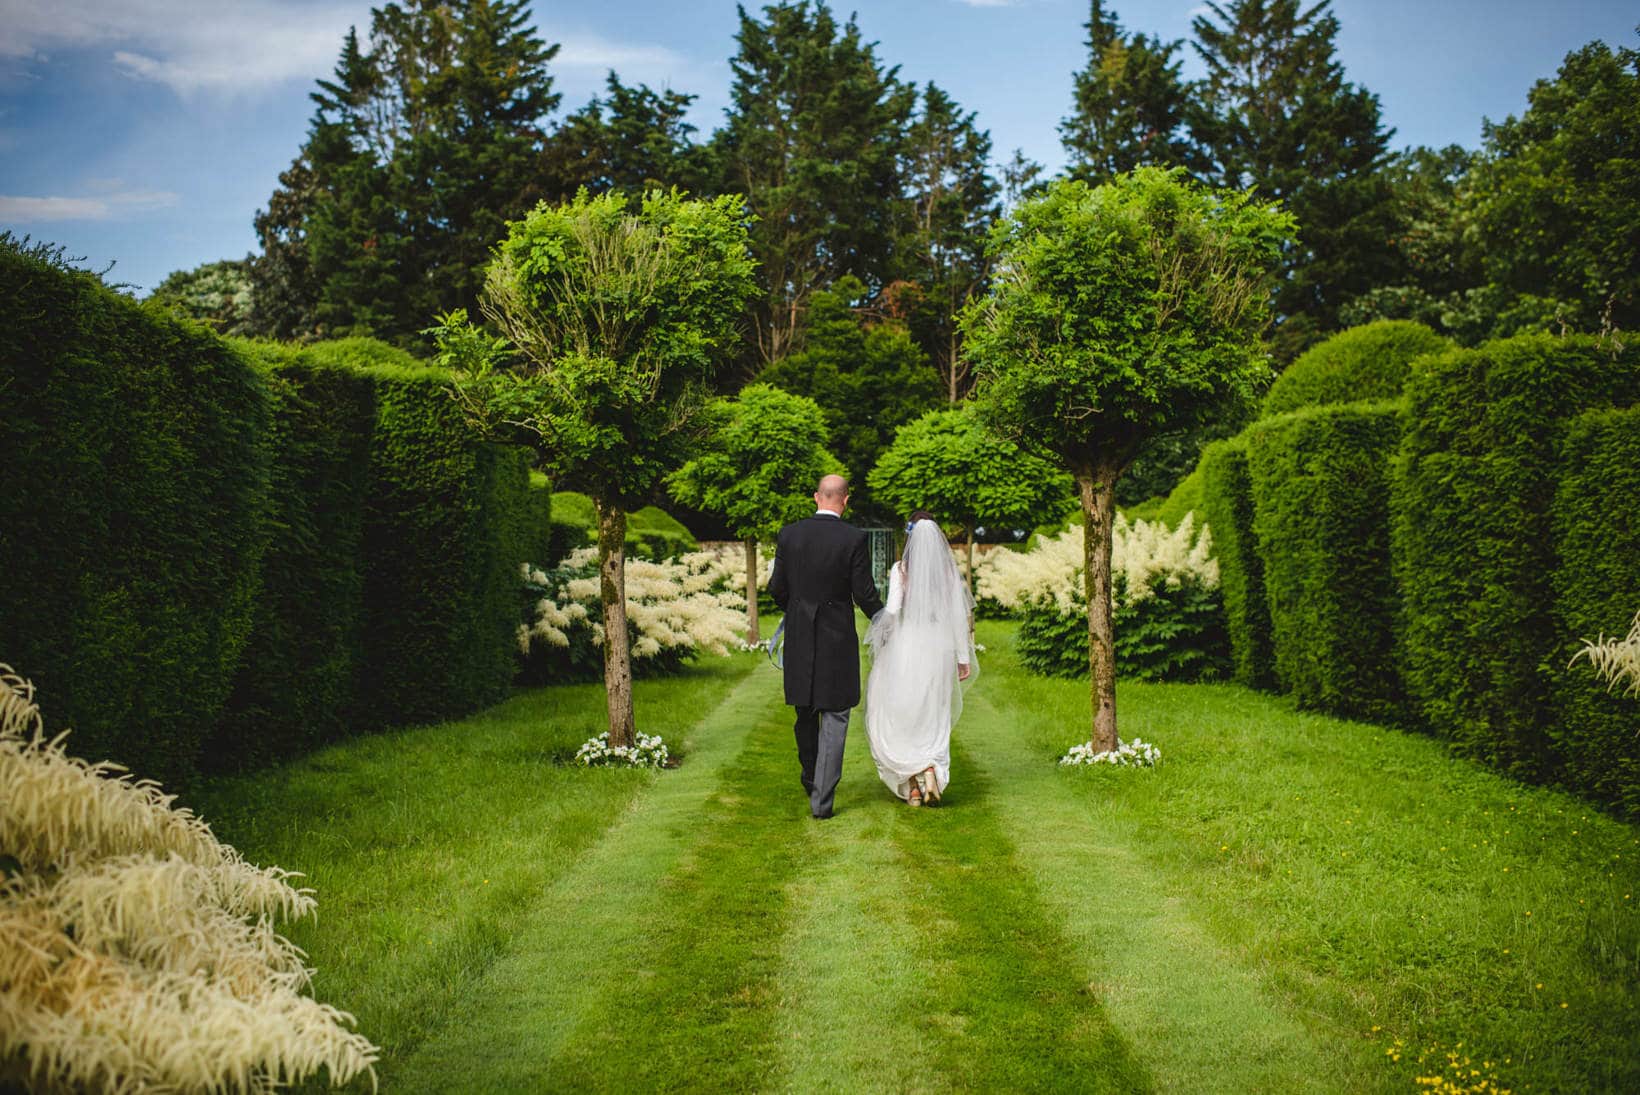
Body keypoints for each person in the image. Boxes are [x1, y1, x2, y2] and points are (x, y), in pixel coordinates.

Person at [767, 474, 885, 819]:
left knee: (804, 709)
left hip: (801, 635)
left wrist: (798, 610)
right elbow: (864, 593)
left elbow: (777, 588)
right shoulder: (853, 538)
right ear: (845, 500)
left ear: (817, 497)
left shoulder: (789, 534)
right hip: (837, 638)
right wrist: (884, 620)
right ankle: (822, 798)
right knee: (835, 714)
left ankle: (810, 776)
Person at [864, 512, 975, 807]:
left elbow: (892, 609)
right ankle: (929, 767)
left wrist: (879, 636)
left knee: (902, 714)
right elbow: (957, 617)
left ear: (910, 536)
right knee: (932, 712)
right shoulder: (949, 574)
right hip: (938, 648)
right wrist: (962, 656)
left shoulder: (900, 570)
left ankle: (912, 786)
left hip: (907, 644)